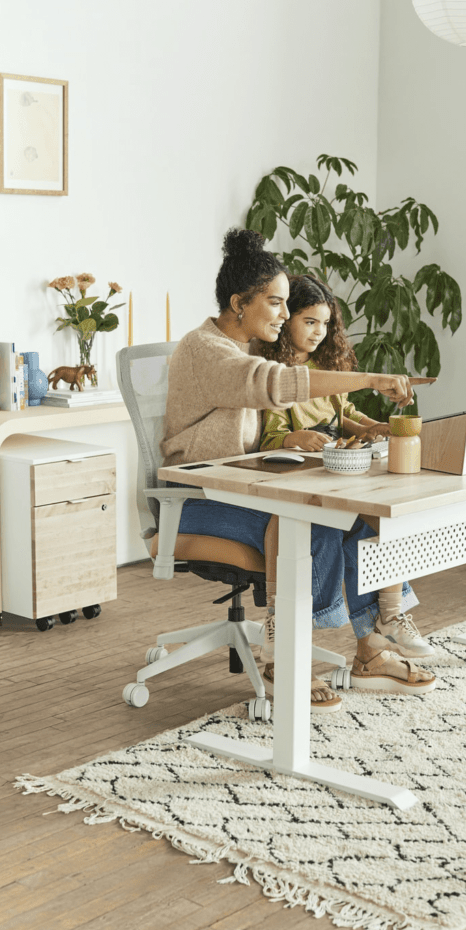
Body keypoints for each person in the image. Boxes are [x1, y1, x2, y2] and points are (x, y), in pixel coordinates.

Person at [161, 229, 435, 713]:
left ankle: (372, 648)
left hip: (242, 484)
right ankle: (281, 654)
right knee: (308, 517)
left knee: (357, 515)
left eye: (288, 304)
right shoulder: (207, 349)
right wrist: (373, 378)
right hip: (196, 498)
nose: (286, 316)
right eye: (276, 303)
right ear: (238, 302)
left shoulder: (246, 348)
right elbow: (278, 386)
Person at [258, 273, 435, 668]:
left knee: (381, 519)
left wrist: (372, 427)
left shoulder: (327, 366)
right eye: (309, 322)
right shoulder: (272, 372)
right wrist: (293, 438)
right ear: (286, 319)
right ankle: (287, 624)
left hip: (336, 470)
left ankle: (388, 617)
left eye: (325, 323)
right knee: (347, 522)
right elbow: (269, 439)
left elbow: (345, 415)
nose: (319, 332)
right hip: (298, 478)